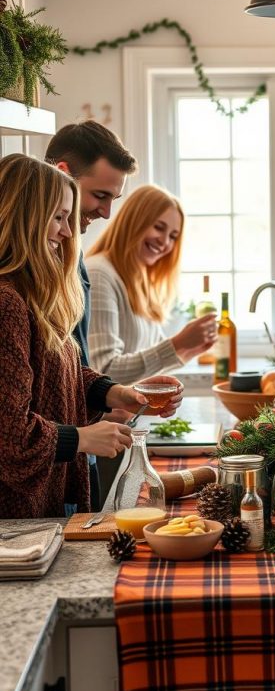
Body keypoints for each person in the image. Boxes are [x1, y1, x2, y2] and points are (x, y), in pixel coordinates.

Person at [0, 155, 183, 519]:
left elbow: (61, 375)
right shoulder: (6, 303)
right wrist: (82, 438)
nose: (68, 232)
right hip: (16, 516)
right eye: (58, 217)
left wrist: (119, 393)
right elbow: (10, 435)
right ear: (24, 218)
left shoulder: (30, 294)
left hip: (47, 496)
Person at [45, 120, 138, 507]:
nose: (106, 212)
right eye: (100, 195)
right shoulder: (16, 283)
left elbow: (69, 362)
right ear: (62, 175)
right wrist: (81, 436)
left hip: (68, 461)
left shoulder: (73, 257)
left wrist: (108, 392)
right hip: (43, 471)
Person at [85, 184, 217, 383]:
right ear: (134, 222)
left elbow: (146, 368)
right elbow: (104, 372)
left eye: (173, 236)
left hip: (127, 414)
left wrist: (188, 350)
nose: (165, 242)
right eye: (159, 227)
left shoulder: (139, 281)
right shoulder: (99, 274)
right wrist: (178, 343)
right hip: (104, 416)